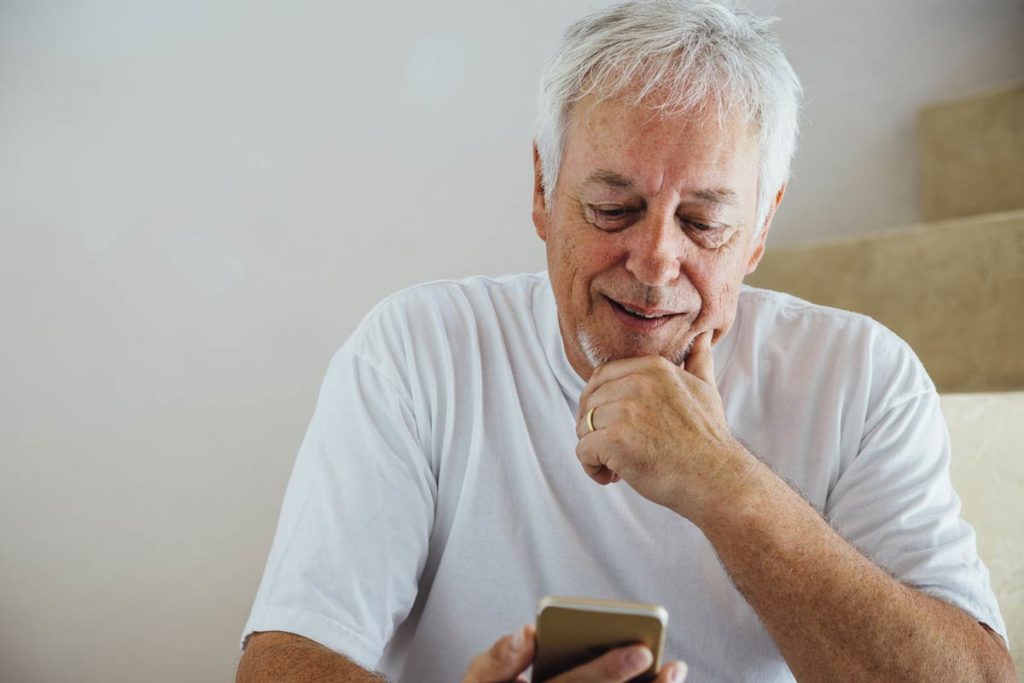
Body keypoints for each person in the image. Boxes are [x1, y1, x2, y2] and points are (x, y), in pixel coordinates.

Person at [236, 1, 1015, 681]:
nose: (654, 261)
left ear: (762, 227)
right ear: (542, 191)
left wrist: (721, 481)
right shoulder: (415, 353)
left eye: (704, 221)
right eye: (613, 207)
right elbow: (283, 661)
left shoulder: (863, 377)